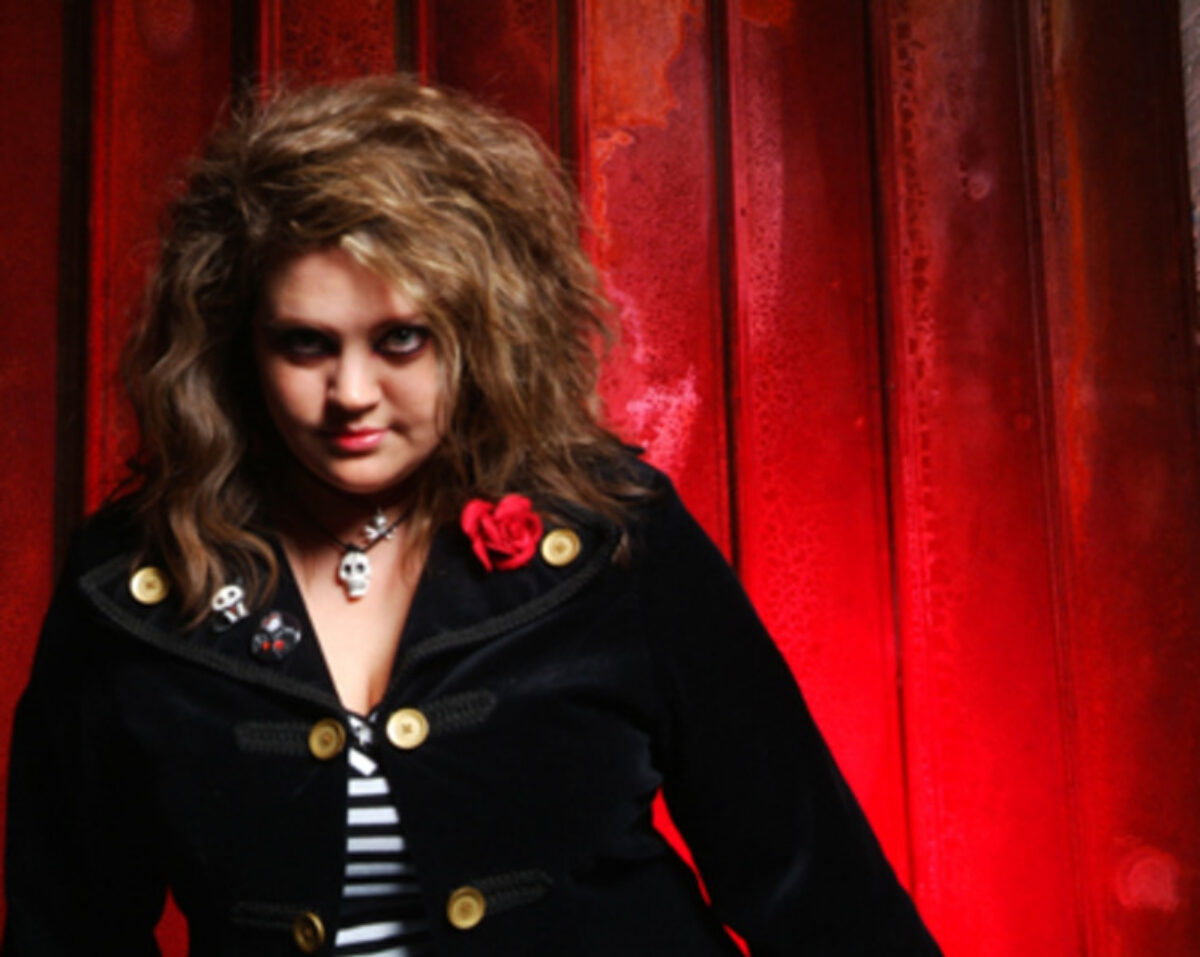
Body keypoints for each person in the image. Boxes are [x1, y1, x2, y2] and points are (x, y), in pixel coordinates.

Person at [3, 75, 941, 956]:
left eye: (401, 339)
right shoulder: (128, 586)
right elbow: (67, 930)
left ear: (479, 330)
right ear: (236, 347)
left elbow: (816, 885)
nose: (351, 393)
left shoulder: (612, 534)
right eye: (305, 344)